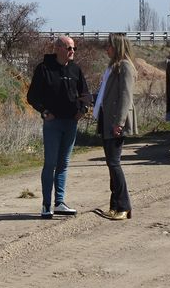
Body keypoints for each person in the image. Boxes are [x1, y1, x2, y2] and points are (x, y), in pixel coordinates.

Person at [27, 35, 90, 219]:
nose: (72, 52)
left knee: (64, 163)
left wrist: (83, 109)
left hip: (71, 123)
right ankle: (46, 205)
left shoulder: (75, 70)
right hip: (53, 124)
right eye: (69, 48)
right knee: (50, 163)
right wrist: (44, 112)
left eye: (74, 48)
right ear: (58, 49)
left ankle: (60, 202)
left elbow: (85, 94)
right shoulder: (44, 69)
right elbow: (32, 96)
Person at [92, 33, 137, 220]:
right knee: (111, 164)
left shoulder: (125, 67)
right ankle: (115, 205)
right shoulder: (112, 67)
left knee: (114, 163)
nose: (106, 49)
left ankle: (124, 206)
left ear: (117, 46)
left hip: (115, 122)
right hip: (106, 119)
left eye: (109, 45)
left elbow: (126, 97)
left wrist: (119, 122)